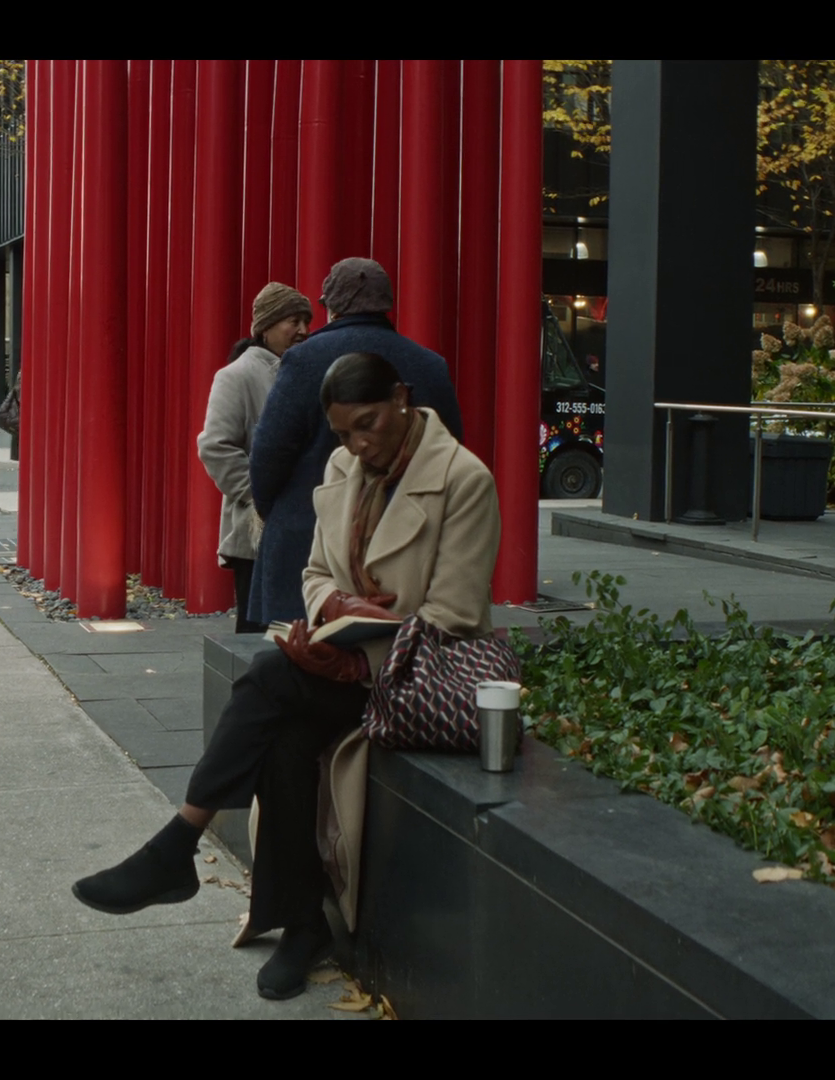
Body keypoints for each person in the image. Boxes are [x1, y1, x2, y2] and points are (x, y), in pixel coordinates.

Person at [74, 352, 499, 1001]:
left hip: (415, 679)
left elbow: (456, 614)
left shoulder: (464, 480)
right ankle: (301, 925)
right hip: (347, 667)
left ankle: (179, 845)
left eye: (368, 423)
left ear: (401, 397)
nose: (358, 444)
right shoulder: (343, 468)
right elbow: (315, 573)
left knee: (271, 678)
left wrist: (358, 660)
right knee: (285, 739)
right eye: (344, 433)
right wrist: (335, 608)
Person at [247, 257, 465, 628]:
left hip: (307, 538)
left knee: (301, 652)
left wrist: (277, 512)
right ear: (386, 304)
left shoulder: (303, 360)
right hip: (408, 540)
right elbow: (451, 447)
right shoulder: (430, 365)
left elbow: (269, 454)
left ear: (332, 308)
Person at [198, 282, 312, 635]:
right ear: (265, 327)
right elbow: (215, 446)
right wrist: (260, 495)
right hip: (255, 533)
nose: (303, 330)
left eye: (306, 321)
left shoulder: (303, 371)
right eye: (293, 321)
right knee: (257, 637)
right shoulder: (237, 375)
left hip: (302, 528)